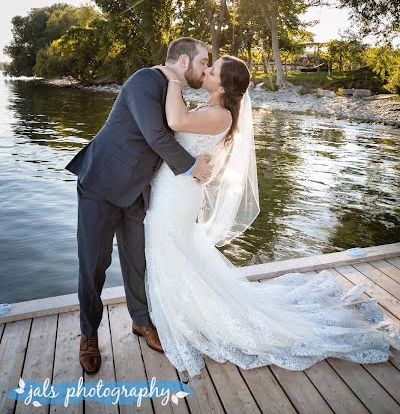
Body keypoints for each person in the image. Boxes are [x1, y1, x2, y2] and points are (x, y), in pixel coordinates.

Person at [143, 54, 400, 379]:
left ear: (223, 85)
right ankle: (182, 307)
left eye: (213, 70)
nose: (206, 71)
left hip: (177, 194)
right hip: (176, 187)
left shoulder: (220, 115)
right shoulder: (211, 109)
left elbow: (176, 123)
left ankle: (189, 312)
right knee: (175, 249)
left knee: (167, 243)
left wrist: (172, 78)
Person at [65, 37, 213, 374]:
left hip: (136, 191)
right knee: (94, 265)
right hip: (101, 185)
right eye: (204, 62)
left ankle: (141, 322)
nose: (205, 68)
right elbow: (156, 136)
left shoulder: (172, 88)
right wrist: (193, 167)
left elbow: (176, 131)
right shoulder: (144, 81)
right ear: (185, 61)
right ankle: (88, 334)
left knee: (137, 261)